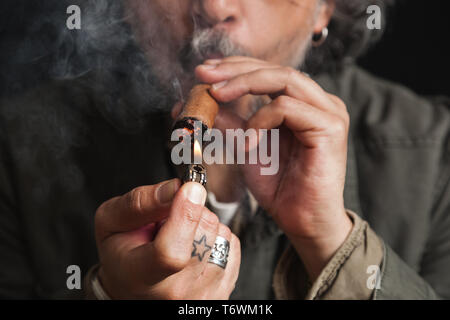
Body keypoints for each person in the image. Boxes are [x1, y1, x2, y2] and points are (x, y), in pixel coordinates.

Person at [0, 0, 449, 299]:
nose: (212, 7)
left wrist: (333, 244)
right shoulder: (18, 149)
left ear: (323, 9)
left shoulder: (431, 152)